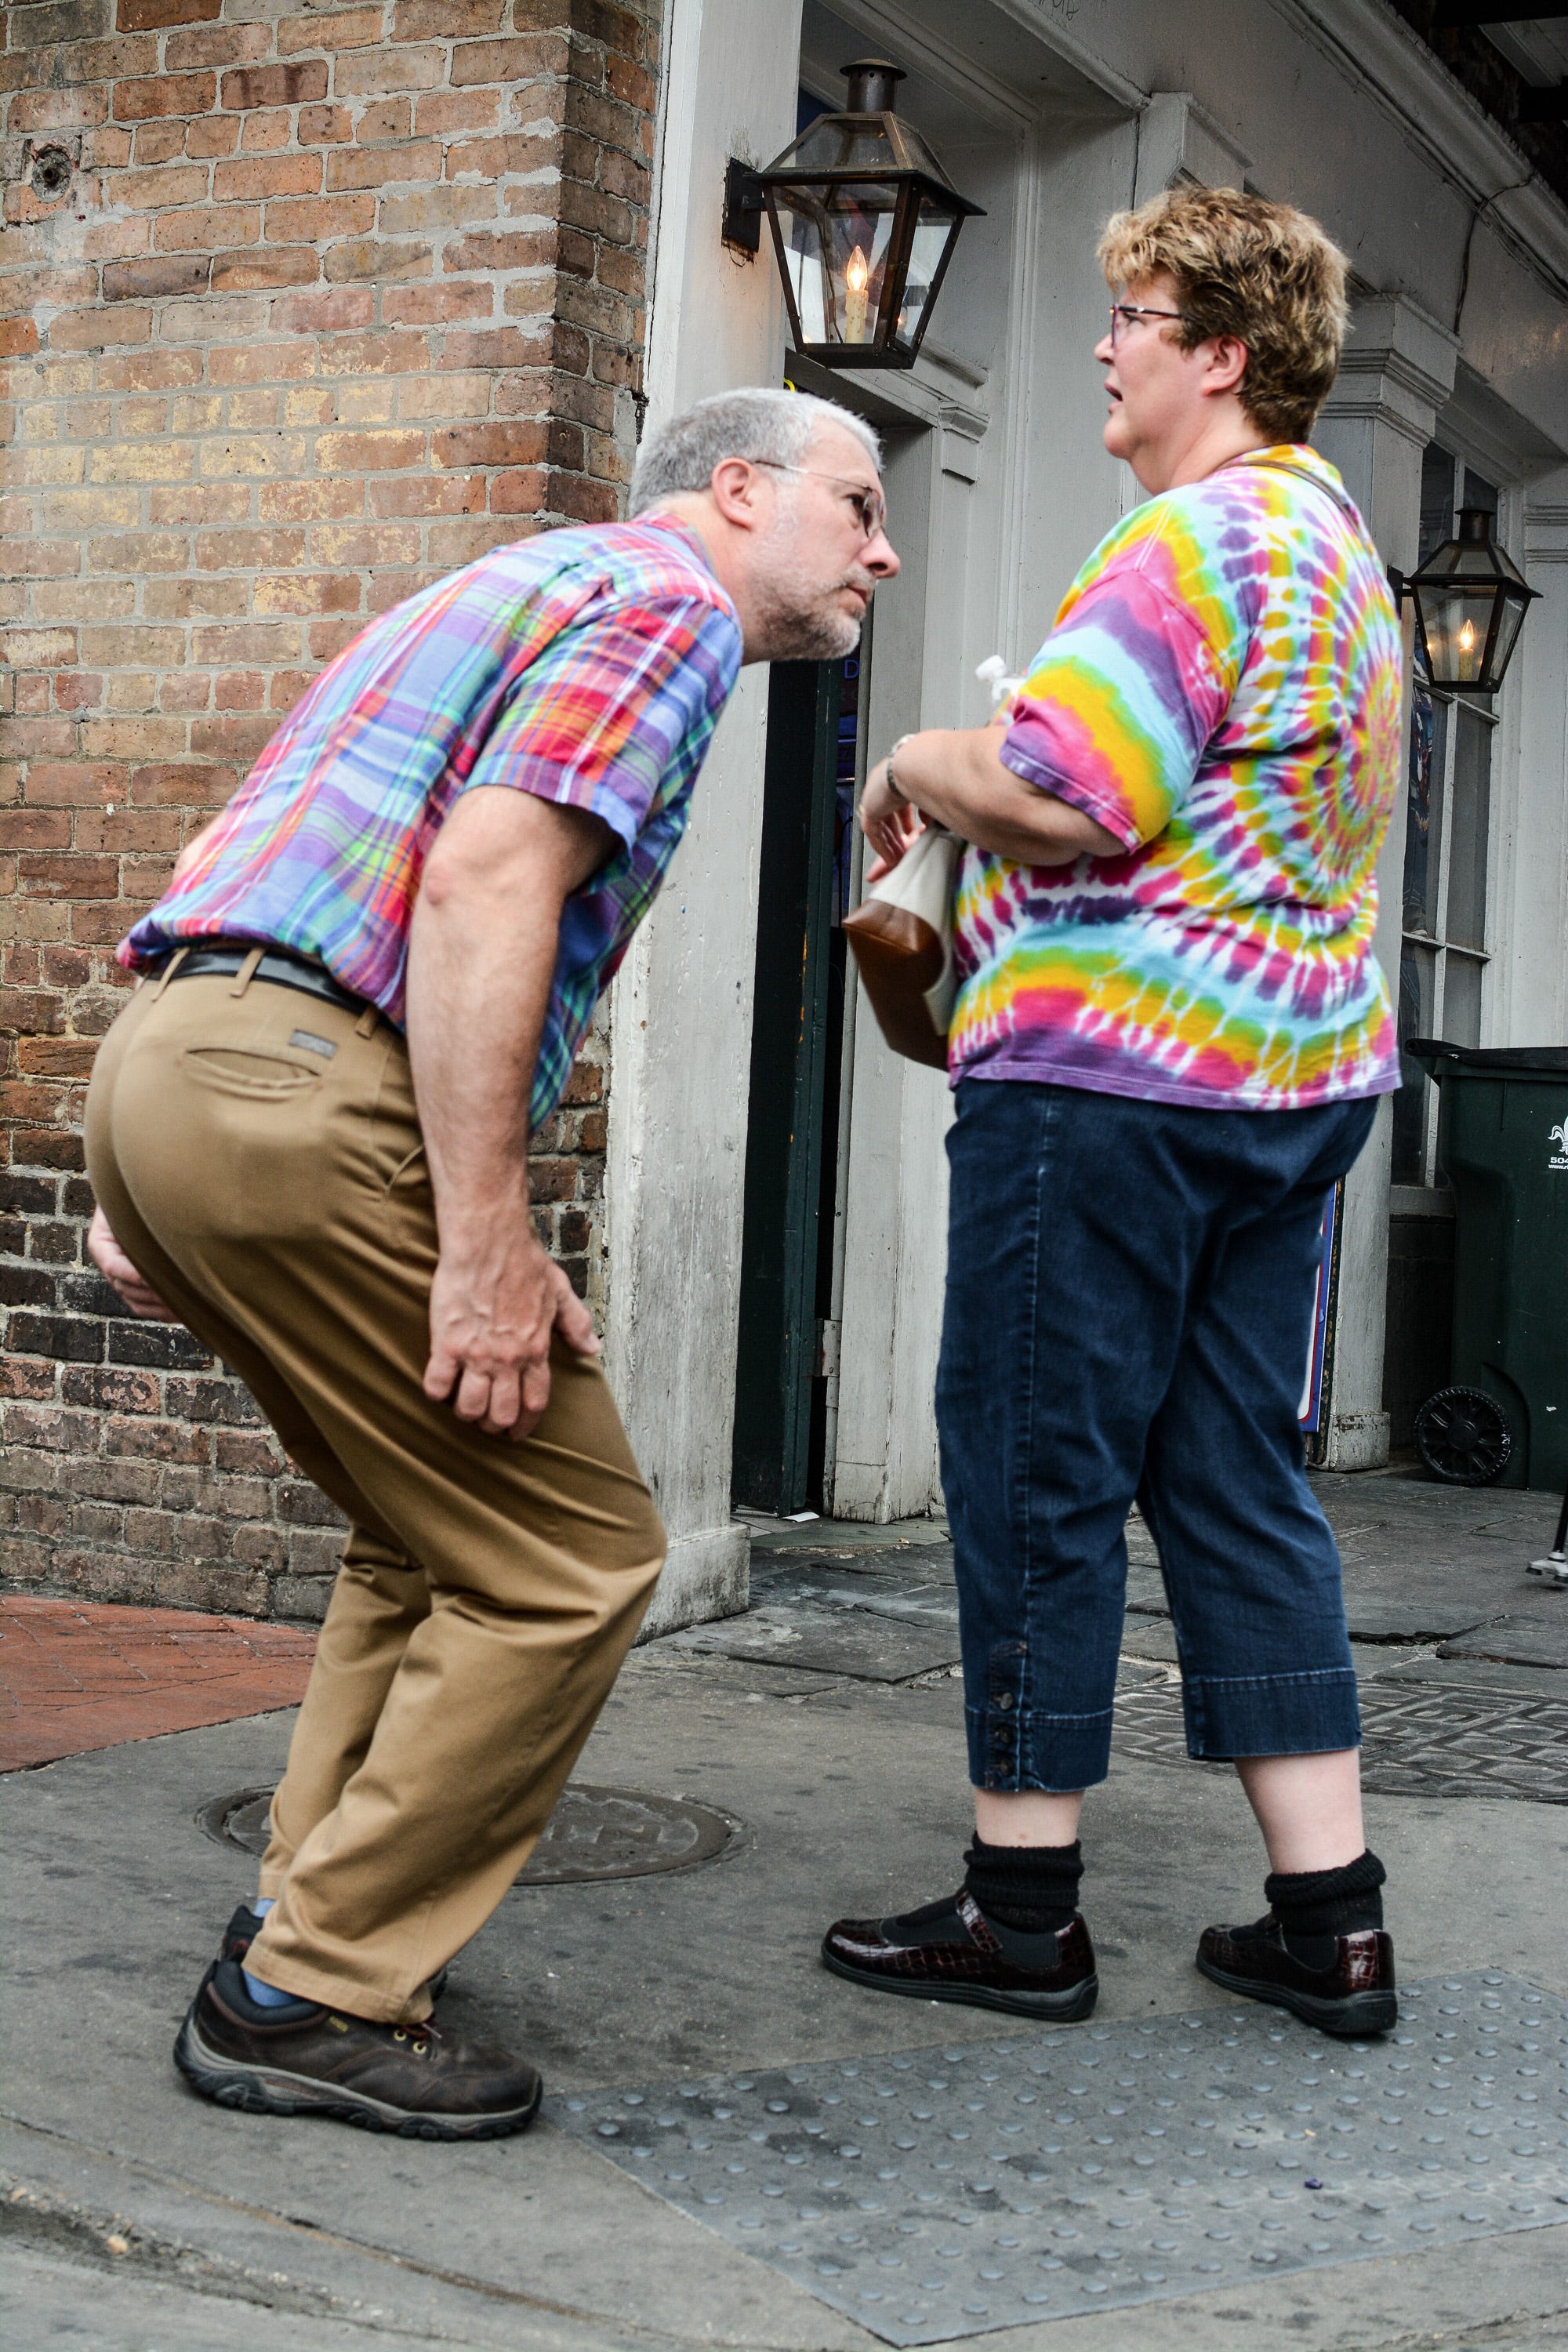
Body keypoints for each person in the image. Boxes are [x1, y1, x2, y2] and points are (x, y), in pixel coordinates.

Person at [85, 387, 898, 2138]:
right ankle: (311, 1990)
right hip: (309, 1088)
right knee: (571, 1558)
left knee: (428, 1522)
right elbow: (483, 881)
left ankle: (303, 1909)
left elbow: (263, 835)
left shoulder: (493, 586)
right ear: (736, 490)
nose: (881, 551)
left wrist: (151, 1154)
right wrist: (484, 1242)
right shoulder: (671, 607)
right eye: (858, 504)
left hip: (186, 1060)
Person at [822, 186, 1403, 2038]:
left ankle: (1021, 1915)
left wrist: (919, 756)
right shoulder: (1336, 546)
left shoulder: (1187, 539)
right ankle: (1331, 1920)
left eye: (1132, 316)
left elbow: (1074, 794)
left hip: (1112, 1083)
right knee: (1233, 1474)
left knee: (1032, 1466)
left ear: (1218, 353)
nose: (1102, 344)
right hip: (1293, 1084)